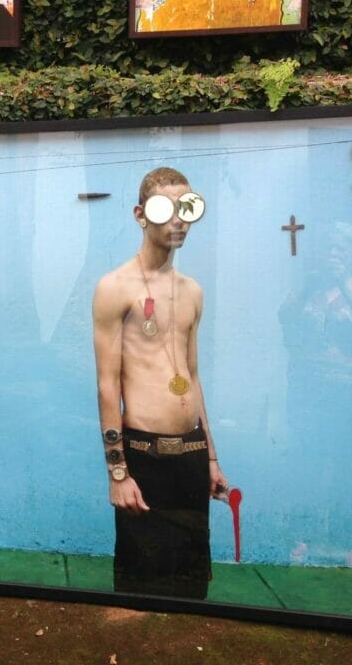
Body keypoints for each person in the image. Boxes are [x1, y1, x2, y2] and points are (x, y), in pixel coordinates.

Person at [92, 166, 228, 599]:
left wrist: (210, 458)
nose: (178, 220)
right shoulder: (115, 287)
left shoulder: (192, 291)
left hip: (190, 454)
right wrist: (118, 473)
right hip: (142, 455)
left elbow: (193, 376)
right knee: (140, 588)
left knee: (190, 586)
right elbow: (107, 386)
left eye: (185, 209)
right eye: (165, 209)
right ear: (140, 214)